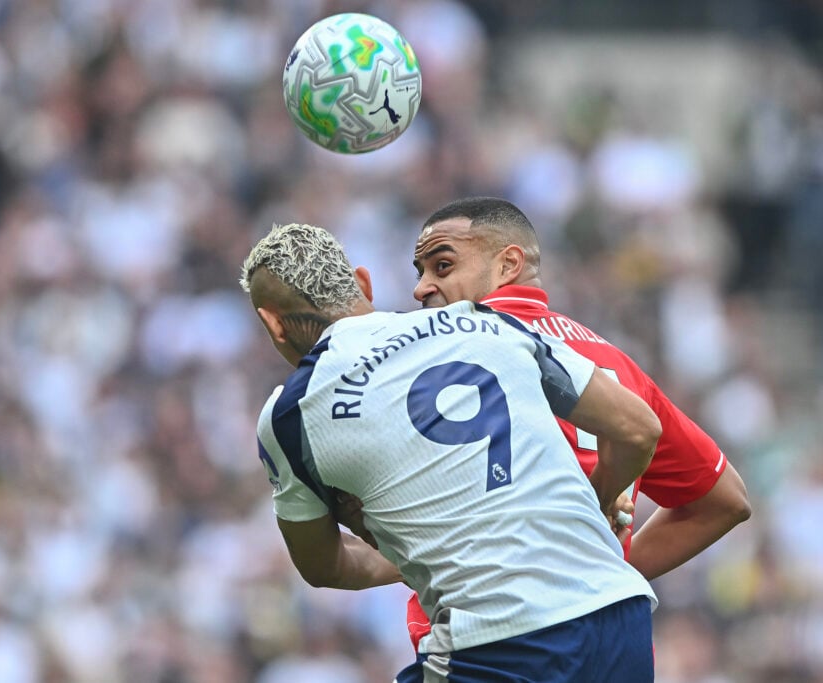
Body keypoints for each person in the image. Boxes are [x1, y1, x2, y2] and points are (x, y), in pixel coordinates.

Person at [240, 222, 662, 682]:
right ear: (363, 282)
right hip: (619, 614)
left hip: (496, 642)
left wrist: (409, 539)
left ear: (273, 322)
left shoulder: (290, 414)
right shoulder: (485, 322)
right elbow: (638, 429)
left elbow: (326, 567)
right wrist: (592, 500)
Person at [399, 196, 752, 650]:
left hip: (490, 640)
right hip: (601, 638)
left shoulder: (443, 355)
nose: (421, 288)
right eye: (420, 272)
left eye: (442, 266)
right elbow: (725, 501)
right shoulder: (614, 362)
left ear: (509, 264)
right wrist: (598, 569)